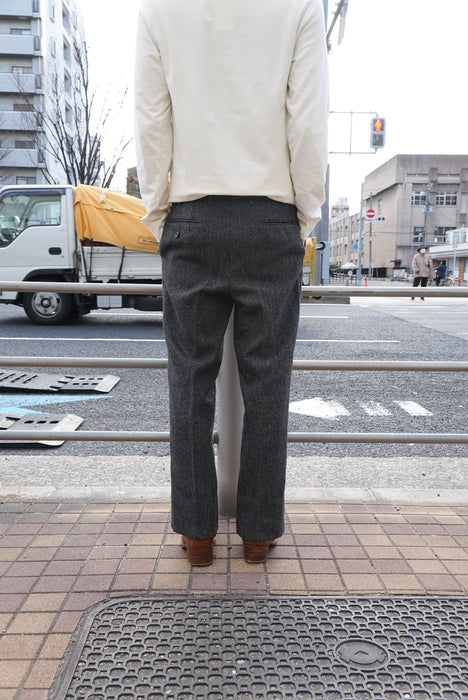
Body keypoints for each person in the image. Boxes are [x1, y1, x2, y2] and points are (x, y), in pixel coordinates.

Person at [134, 0, 329, 566]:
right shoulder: (298, 8)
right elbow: (308, 118)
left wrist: (159, 211)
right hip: (271, 213)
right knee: (268, 387)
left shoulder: (158, 10)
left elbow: (152, 117)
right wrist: (305, 211)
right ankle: (258, 533)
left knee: (188, 386)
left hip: (191, 213)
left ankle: (197, 535)